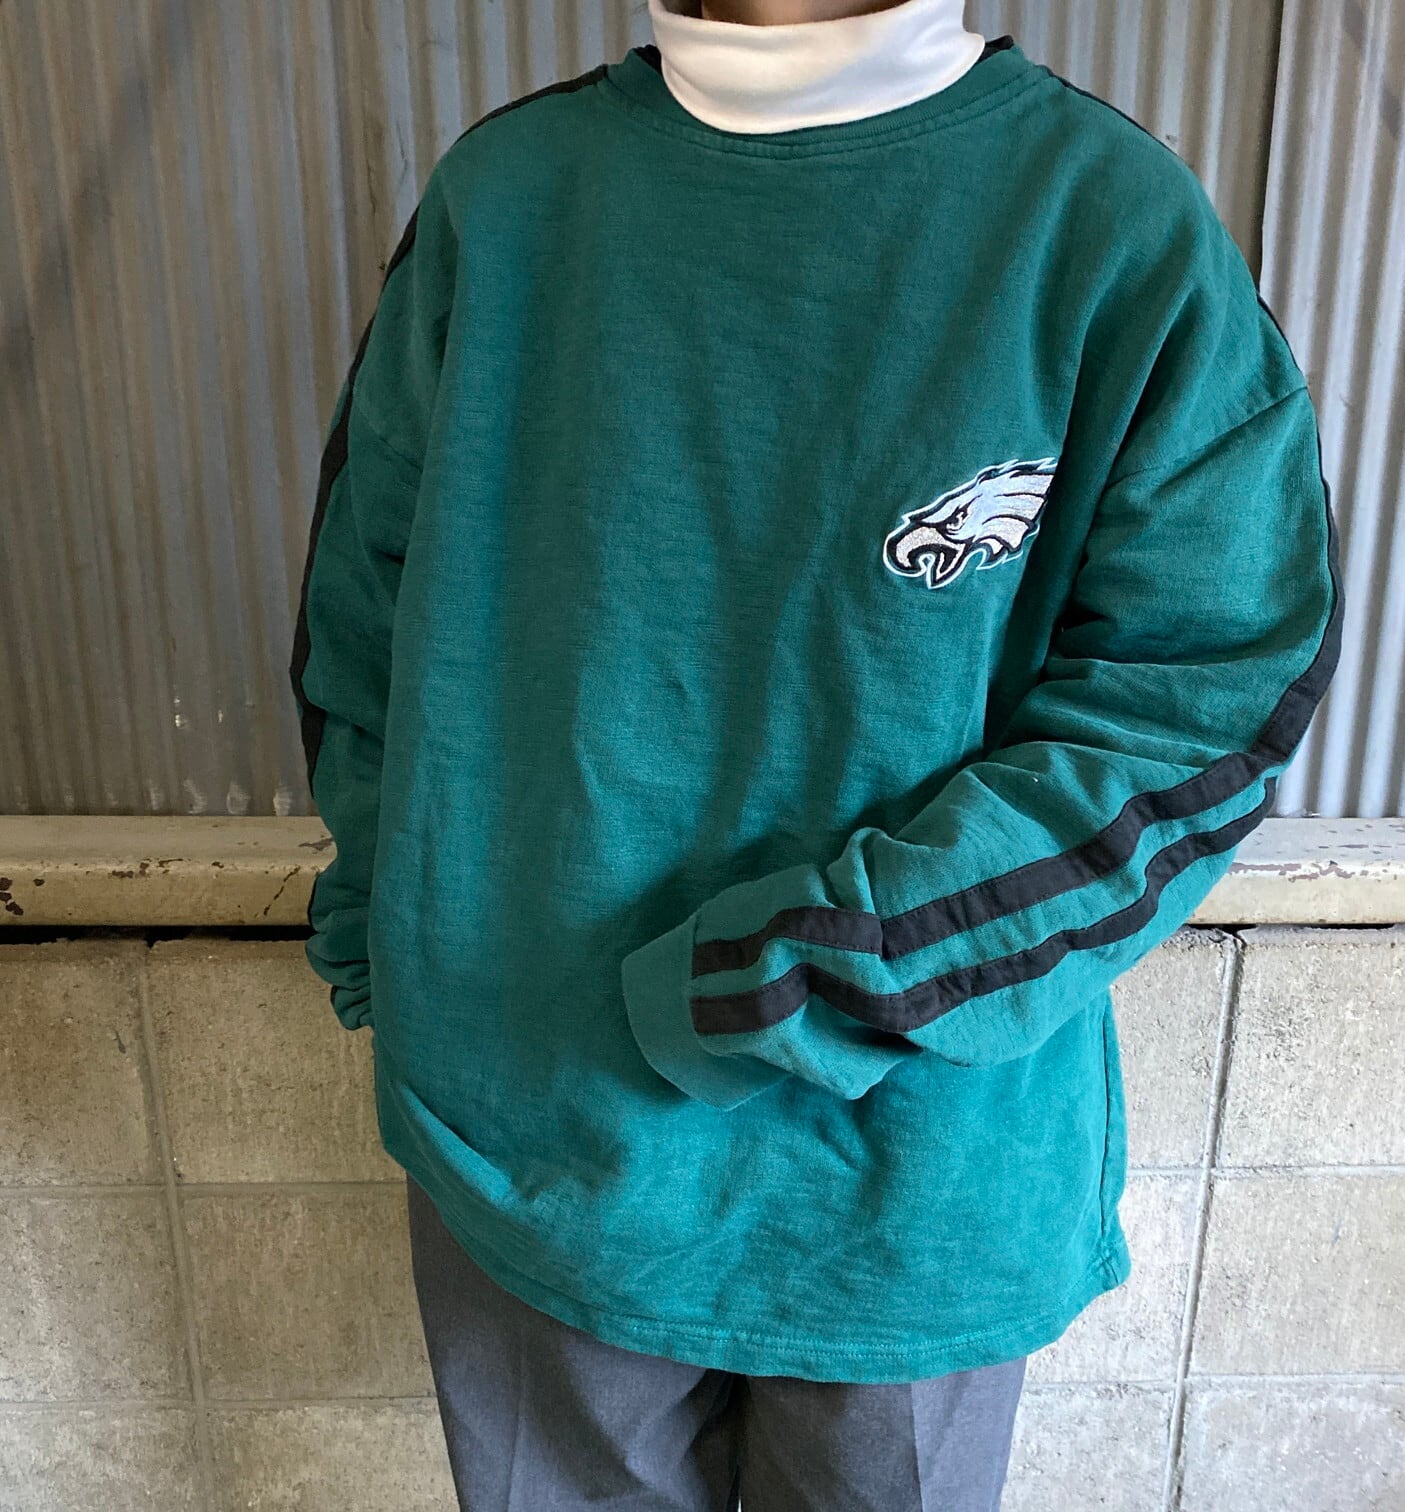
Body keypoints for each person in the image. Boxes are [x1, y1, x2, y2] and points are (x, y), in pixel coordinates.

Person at [289, 0, 1343, 1506]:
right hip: (524, 1142)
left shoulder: (1105, 223)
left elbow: (1204, 698)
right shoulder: (506, 202)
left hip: (913, 1166)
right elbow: (366, 623)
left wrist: (814, 973)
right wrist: (387, 946)